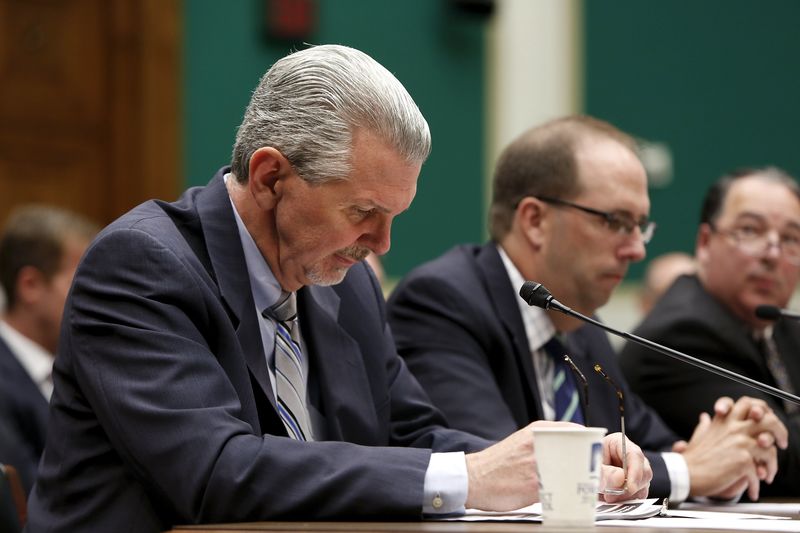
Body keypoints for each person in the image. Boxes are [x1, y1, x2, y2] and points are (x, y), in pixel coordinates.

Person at [26, 46, 649, 532]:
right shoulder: (143, 265)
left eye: (393, 218)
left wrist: (563, 459)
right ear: (271, 177)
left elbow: (415, 437)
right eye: (362, 213)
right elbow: (217, 471)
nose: (381, 245)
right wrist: (473, 475)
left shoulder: (346, 288)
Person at [387, 116, 788, 504]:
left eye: (640, 226)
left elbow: (656, 447)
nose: (637, 249)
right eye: (616, 222)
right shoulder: (443, 301)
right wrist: (689, 472)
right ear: (535, 220)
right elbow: (495, 466)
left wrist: (736, 446)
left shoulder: (582, 324)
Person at [620, 167, 800, 496]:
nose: (772, 254)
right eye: (750, 231)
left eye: (790, 239)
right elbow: (774, 454)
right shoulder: (683, 329)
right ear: (705, 242)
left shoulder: (783, 325)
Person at [0, 205, 98, 493]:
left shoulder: (81, 367)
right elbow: (27, 496)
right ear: (30, 285)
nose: (99, 298)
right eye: (83, 282)